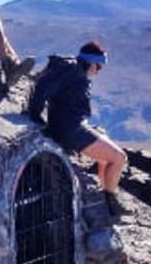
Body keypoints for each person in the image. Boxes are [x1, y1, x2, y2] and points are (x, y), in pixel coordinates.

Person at [28, 41, 129, 217]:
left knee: (105, 156)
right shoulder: (71, 68)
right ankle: (110, 201)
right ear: (91, 61)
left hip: (70, 126)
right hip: (70, 129)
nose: (99, 70)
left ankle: (103, 192)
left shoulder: (75, 70)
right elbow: (42, 88)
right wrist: (35, 115)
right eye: (99, 65)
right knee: (119, 158)